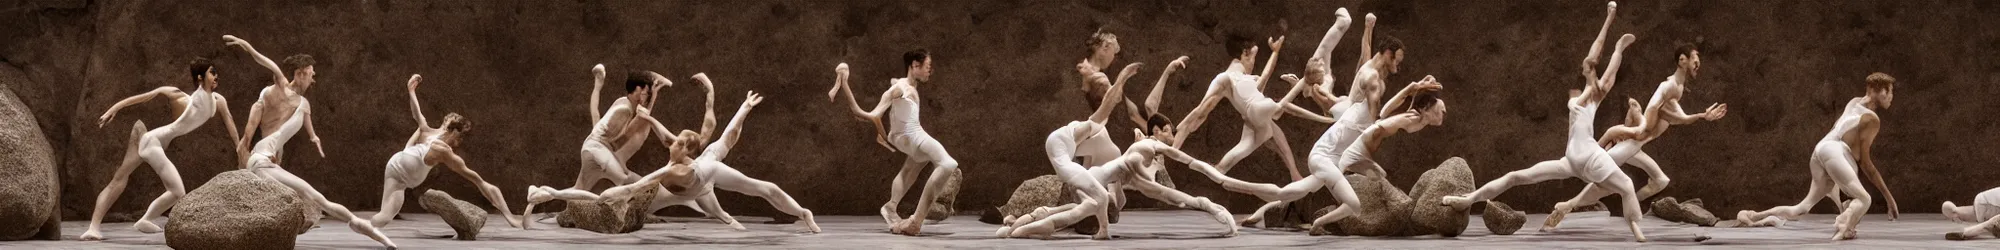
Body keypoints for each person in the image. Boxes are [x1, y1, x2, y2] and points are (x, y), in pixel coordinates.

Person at [1440, 8, 1648, 241]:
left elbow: (1606, 72)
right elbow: (1595, 60)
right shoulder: (1578, 100)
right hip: (1575, 161)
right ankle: (1469, 199)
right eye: (1589, 71)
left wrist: (1618, 46)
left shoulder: (1590, 100)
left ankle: (1634, 226)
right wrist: (1609, 21)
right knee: (1516, 176)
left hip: (1585, 159)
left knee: (1625, 186)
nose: (1592, 73)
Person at [530, 90, 820, 233]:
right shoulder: (672, 159)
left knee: (764, 188)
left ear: (686, 151)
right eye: (676, 140)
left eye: (680, 143)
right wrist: (556, 193)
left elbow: (727, 139)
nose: (673, 144)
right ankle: (726, 219)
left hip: (705, 178)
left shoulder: (697, 164)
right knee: (717, 214)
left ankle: (803, 213)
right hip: (693, 192)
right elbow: (638, 185)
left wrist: (744, 108)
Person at [1234, 77, 1445, 231]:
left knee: (1292, 192)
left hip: (1339, 155)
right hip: (1346, 154)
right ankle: (1318, 223)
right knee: (1357, 199)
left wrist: (1413, 89)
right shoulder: (1408, 118)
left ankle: (1248, 194)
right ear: (1426, 108)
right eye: (1439, 109)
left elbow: (1387, 111)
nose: (1443, 113)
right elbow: (1382, 117)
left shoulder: (1414, 116)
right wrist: (1365, 160)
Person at [80, 58, 240, 241]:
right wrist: (114, 108)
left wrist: (239, 148)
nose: (216, 76)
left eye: (216, 72)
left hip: (157, 143)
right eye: (212, 72)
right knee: (173, 190)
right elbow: (147, 96)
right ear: (200, 77)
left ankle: (136, 221)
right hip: (151, 142)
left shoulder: (219, 100)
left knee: (127, 179)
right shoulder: (183, 96)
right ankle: (115, 224)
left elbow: (229, 121)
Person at [1734, 73, 1898, 240]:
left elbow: (1843, 136)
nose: (1891, 97)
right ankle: (1843, 229)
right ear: (1881, 92)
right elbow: (1865, 163)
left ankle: (1753, 216)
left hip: (1821, 148)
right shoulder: (1872, 120)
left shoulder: (1854, 102)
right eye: (1890, 92)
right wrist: (1889, 198)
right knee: (1864, 199)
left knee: (1801, 208)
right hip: (1834, 151)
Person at [825, 49, 959, 235]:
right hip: (910, 136)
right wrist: (844, 84)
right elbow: (870, 114)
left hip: (905, 137)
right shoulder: (900, 89)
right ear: (914, 66)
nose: (931, 71)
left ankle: (890, 207)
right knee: (948, 164)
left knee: (913, 166)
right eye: (928, 66)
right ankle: (915, 221)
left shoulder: (905, 85)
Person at [366, 74, 525, 229]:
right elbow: (417, 113)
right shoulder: (427, 131)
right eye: (459, 134)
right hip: (395, 167)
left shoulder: (445, 153)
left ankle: (357, 223)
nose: (459, 141)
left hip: (402, 181)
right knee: (384, 216)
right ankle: (354, 220)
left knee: (384, 218)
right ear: (454, 132)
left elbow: (480, 182)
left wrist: (509, 216)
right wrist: (411, 91)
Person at [996, 139, 1237, 239]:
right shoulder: (1132, 162)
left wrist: (1216, 177)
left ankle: (1018, 225)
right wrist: (1203, 203)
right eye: (1152, 158)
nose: (1154, 159)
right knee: (1080, 211)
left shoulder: (1136, 159)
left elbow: (1189, 160)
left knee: (1075, 209)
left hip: (1086, 183)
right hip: (1086, 184)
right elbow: (1162, 192)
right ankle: (1017, 231)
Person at [222, 35, 325, 167]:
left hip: (271, 134)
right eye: (311, 75)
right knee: (246, 142)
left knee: (273, 152)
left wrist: (313, 136)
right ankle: (244, 163)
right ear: (299, 74)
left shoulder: (300, 102)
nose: (313, 79)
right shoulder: (282, 84)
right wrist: (246, 45)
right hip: (262, 109)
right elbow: (264, 61)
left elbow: (301, 122)